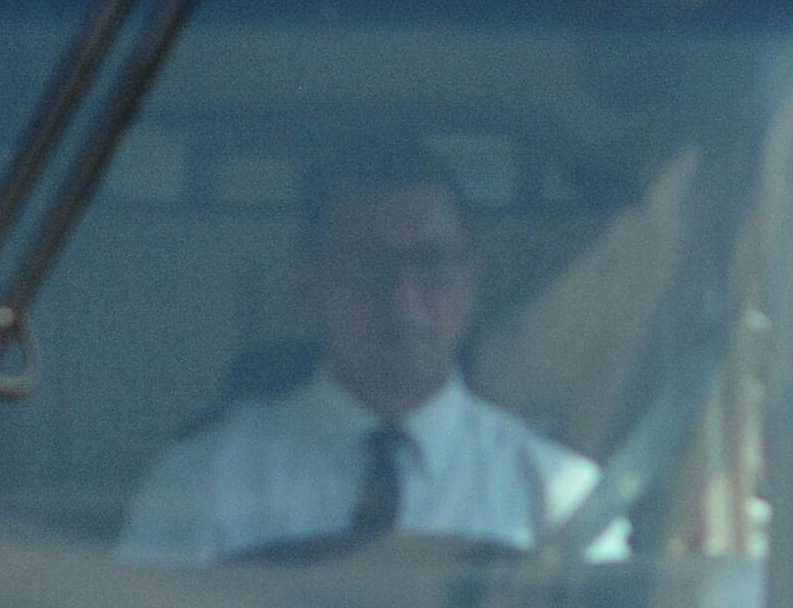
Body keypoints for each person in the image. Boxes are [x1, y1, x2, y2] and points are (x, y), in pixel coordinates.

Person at [120, 152, 598, 564]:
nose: (403, 300)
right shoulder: (205, 482)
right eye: (369, 266)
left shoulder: (555, 494)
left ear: (470, 283)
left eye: (431, 264)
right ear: (308, 286)